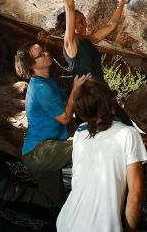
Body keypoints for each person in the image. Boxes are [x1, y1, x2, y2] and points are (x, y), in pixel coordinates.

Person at [56, 79, 147, 232]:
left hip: (66, 223)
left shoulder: (80, 132)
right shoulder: (128, 134)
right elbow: (135, 196)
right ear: (110, 104)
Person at [14, 42, 89, 209]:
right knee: (86, 145)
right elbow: (64, 118)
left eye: (44, 51)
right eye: (40, 54)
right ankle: (13, 192)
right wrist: (76, 89)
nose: (47, 54)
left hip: (43, 150)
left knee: (54, 204)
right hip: (39, 151)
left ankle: (12, 193)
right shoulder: (41, 87)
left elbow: (65, 102)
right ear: (32, 64)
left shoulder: (47, 82)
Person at [56, 0, 132, 82]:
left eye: (84, 21)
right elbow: (70, 9)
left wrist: (121, 5)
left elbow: (111, 25)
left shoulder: (88, 40)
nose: (85, 24)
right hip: (87, 94)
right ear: (70, 24)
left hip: (100, 89)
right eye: (81, 21)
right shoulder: (70, 44)